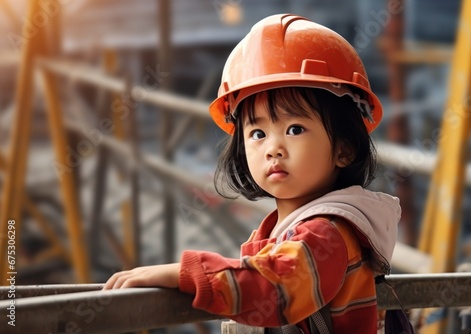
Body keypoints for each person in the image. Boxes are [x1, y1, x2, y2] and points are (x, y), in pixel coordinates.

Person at [104, 13, 401, 333]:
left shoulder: (327, 232)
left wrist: (186, 273)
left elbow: (274, 288)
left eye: (295, 128)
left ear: (344, 149)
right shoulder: (282, 229)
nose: (273, 148)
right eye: (258, 134)